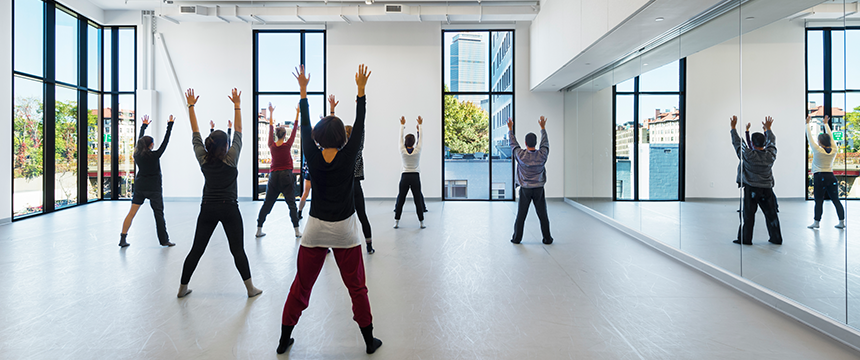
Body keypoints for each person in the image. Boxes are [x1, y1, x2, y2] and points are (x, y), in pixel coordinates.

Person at [277, 64, 382, 355]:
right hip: (345, 234)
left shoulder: (311, 151)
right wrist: (360, 91)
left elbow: (307, 125)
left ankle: (284, 340)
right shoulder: (350, 155)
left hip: (315, 230)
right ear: (342, 138)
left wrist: (303, 90)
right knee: (357, 289)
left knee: (301, 287)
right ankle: (368, 341)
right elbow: (359, 124)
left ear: (319, 138)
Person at [177, 88, 262, 299]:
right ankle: (250, 289)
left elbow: (195, 133)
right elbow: (240, 130)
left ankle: (181, 288)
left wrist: (191, 106)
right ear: (226, 145)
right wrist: (237, 105)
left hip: (207, 208)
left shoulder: (203, 158)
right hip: (229, 209)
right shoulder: (231, 157)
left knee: (196, 250)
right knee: (237, 250)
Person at [119, 114, 175, 247]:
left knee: (131, 213)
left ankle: (122, 238)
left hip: (140, 186)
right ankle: (164, 240)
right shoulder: (155, 155)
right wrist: (170, 125)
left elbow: (139, 142)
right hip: (154, 188)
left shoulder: (137, 154)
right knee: (158, 215)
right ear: (151, 145)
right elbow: (165, 142)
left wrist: (143, 127)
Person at [731, 115, 783, 245]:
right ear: (764, 143)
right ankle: (776, 238)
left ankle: (746, 239)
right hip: (767, 189)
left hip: (752, 189)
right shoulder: (770, 155)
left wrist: (733, 128)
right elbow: (773, 141)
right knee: (771, 214)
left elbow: (738, 143)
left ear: (752, 144)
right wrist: (768, 129)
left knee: (748, 216)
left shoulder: (748, 155)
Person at [255, 102, 301, 238]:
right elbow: (295, 128)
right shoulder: (287, 145)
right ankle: (297, 231)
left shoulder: (271, 145)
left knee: (267, 204)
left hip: (274, 176)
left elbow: (269, 128)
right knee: (291, 204)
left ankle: (259, 229)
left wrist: (270, 113)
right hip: (286, 175)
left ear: (276, 135)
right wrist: (297, 112)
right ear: (284, 135)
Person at [338, 96, 375, 254]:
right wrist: (360, 107)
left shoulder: (340, 151)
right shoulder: (357, 148)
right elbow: (362, 127)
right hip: (356, 187)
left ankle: (329, 247)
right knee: (362, 216)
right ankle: (369, 246)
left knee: (337, 218)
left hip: (342, 187)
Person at [508, 117, 553, 245]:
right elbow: (545, 143)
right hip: (539, 189)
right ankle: (547, 239)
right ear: (536, 142)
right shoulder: (542, 154)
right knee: (542, 215)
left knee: (521, 215)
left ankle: (517, 238)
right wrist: (543, 128)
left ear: (525, 143)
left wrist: (510, 129)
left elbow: (513, 144)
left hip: (525, 189)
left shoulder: (520, 155)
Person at [806, 115, 846, 229]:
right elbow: (832, 139)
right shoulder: (834, 150)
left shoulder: (817, 150)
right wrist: (826, 124)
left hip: (819, 177)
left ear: (819, 142)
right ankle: (842, 222)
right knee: (836, 200)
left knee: (818, 201)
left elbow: (809, 137)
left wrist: (807, 124)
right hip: (831, 176)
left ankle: (817, 222)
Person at [393, 116, 426, 229]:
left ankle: (396, 222)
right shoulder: (418, 150)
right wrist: (420, 126)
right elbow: (421, 138)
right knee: (417, 199)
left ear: (405, 142)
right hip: (415, 177)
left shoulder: (402, 150)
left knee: (401, 198)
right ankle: (421, 222)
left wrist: (402, 125)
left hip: (405, 177)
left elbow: (399, 138)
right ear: (414, 142)